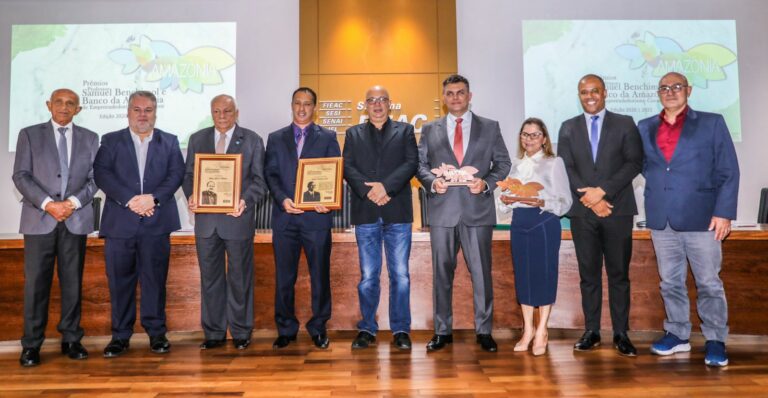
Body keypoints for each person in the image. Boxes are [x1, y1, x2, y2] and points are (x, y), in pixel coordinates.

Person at [638, 72, 739, 367]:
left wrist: (724, 212)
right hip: (661, 218)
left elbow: (729, 171)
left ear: (689, 90)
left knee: (709, 282)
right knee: (670, 282)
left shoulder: (711, 123)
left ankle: (716, 339)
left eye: (677, 87)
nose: (670, 92)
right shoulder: (645, 127)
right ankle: (678, 334)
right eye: (664, 88)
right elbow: (648, 167)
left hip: (703, 219)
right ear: (658, 93)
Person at [416, 74, 511, 352]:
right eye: (450, 93)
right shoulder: (429, 129)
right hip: (442, 212)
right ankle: (442, 331)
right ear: (443, 98)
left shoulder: (490, 127)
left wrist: (486, 183)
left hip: (477, 211)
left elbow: (503, 163)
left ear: (470, 96)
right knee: (441, 274)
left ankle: (484, 331)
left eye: (460, 92)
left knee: (482, 273)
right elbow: (420, 165)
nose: (455, 97)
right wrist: (433, 183)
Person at [94, 90, 185, 357]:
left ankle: (157, 334)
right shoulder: (111, 141)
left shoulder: (169, 141)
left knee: (155, 281)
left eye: (148, 110)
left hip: (156, 223)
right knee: (120, 283)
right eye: (137, 109)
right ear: (128, 111)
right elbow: (102, 174)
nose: (142, 115)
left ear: (155, 112)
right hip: (120, 224)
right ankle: (120, 336)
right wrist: (130, 200)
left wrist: (153, 199)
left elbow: (176, 173)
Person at [557, 74, 643, 356]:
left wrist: (602, 192)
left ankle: (621, 333)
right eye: (584, 92)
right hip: (583, 213)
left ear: (605, 92)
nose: (590, 96)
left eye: (595, 91)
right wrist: (591, 200)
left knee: (619, 275)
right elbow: (566, 168)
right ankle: (591, 331)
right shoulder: (568, 127)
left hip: (617, 210)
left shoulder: (625, 123)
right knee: (589, 275)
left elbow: (634, 163)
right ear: (578, 95)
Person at [12, 88, 99, 366]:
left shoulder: (90, 138)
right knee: (36, 285)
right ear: (49, 105)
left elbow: (95, 178)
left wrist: (71, 203)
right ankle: (31, 345)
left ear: (78, 109)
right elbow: (21, 175)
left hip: (75, 219)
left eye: (70, 103)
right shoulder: (29, 134)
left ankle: (71, 339)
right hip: (40, 220)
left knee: (72, 283)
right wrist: (50, 204)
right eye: (59, 102)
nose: (64, 107)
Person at [183, 94, 267, 350]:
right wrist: (191, 196)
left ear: (236, 113)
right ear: (211, 112)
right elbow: (188, 176)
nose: (222, 116)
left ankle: (241, 331)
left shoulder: (252, 140)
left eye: (227, 111)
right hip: (207, 223)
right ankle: (214, 333)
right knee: (210, 278)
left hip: (237, 219)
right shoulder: (198, 139)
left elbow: (260, 181)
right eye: (217, 111)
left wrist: (244, 200)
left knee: (240, 277)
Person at [343, 85, 418, 350]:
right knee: (368, 276)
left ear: (390, 103)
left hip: (397, 211)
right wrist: (371, 193)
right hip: (366, 213)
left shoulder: (406, 131)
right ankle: (367, 328)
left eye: (382, 100)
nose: (377, 104)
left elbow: (411, 163)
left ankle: (400, 330)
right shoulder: (353, 134)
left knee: (400, 274)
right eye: (372, 100)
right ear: (365, 105)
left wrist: (385, 187)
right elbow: (348, 168)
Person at [265, 87, 340, 349]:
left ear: (314, 107)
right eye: (297, 103)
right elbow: (270, 174)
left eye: (307, 104)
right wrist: (283, 199)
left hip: (316, 220)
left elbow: (334, 172)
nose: (302, 108)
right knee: (285, 277)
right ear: (291, 105)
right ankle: (286, 328)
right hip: (285, 219)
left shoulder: (328, 137)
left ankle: (318, 327)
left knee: (320, 276)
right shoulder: (275, 138)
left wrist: (326, 201)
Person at [497, 118, 571, 356]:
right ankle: (527, 329)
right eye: (525, 135)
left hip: (544, 223)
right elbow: (505, 202)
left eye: (535, 135)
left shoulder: (553, 163)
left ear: (544, 139)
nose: (529, 139)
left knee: (544, 275)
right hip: (520, 223)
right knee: (524, 276)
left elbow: (565, 202)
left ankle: (542, 330)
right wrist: (504, 200)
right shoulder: (516, 166)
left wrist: (541, 201)